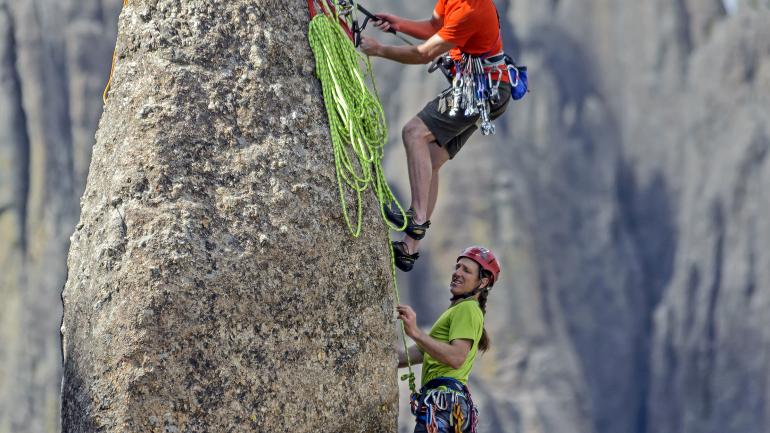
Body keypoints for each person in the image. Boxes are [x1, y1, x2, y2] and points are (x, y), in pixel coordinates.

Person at [360, 0, 513, 272]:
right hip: (485, 88)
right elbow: (434, 27)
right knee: (429, 160)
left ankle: (416, 219)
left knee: (414, 132)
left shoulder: (473, 9)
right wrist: (399, 23)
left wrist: (379, 49)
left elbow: (424, 53)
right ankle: (409, 248)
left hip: (483, 89)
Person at [396, 246, 500, 433]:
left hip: (443, 403)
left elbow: (455, 358)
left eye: (466, 270)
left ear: (483, 282)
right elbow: (409, 356)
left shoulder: (467, 308)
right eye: (457, 267)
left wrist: (416, 332)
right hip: (449, 406)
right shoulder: (458, 312)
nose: (457, 273)